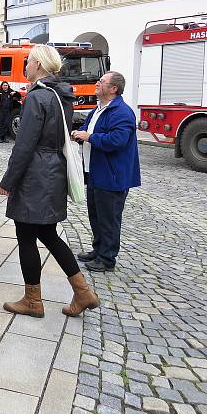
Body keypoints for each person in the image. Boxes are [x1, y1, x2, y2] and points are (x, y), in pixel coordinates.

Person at [0, 44, 99, 318]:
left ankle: (33, 300)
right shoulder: (60, 94)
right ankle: (82, 292)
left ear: (39, 66)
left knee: (27, 235)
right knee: (47, 233)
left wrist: (8, 180)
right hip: (53, 170)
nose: (26, 66)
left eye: (29, 62)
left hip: (35, 174)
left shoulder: (38, 96)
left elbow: (24, 144)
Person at [71, 71, 140, 272]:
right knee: (96, 215)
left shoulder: (122, 112)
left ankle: (107, 259)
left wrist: (89, 137)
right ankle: (98, 250)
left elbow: (117, 141)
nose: (97, 84)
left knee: (109, 218)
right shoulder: (99, 108)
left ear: (113, 89)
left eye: (101, 82)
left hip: (112, 175)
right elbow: (87, 127)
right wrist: (79, 133)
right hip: (95, 172)